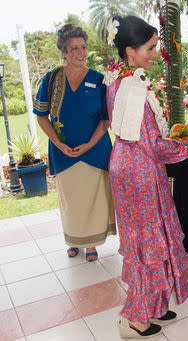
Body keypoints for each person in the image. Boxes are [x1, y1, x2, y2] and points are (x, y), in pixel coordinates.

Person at [104, 16, 188, 338]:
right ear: (130, 50)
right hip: (139, 171)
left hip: (128, 167)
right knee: (147, 244)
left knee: (149, 239)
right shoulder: (133, 88)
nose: (155, 54)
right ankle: (136, 318)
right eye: (150, 48)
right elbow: (153, 145)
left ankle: (153, 304)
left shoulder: (118, 79)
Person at [33, 24, 115, 262]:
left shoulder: (99, 80)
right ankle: (73, 240)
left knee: (94, 198)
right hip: (64, 151)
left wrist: (89, 144)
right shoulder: (51, 80)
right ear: (65, 52)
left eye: (84, 47)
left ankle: (91, 244)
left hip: (95, 149)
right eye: (75, 48)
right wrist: (58, 144)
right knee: (71, 201)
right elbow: (41, 116)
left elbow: (106, 119)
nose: (81, 52)